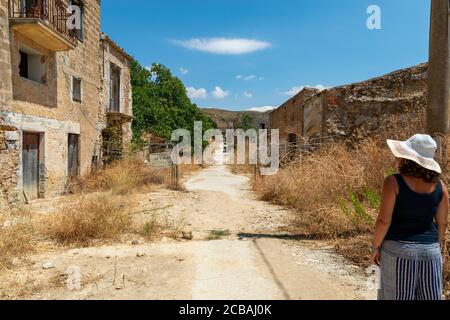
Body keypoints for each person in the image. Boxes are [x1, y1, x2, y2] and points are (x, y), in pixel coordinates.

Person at [371, 134, 448, 300]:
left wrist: (375, 247)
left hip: (398, 251)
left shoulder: (393, 182)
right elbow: (442, 223)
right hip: (430, 252)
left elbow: (384, 220)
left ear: (407, 158)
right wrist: (435, 247)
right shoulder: (440, 186)